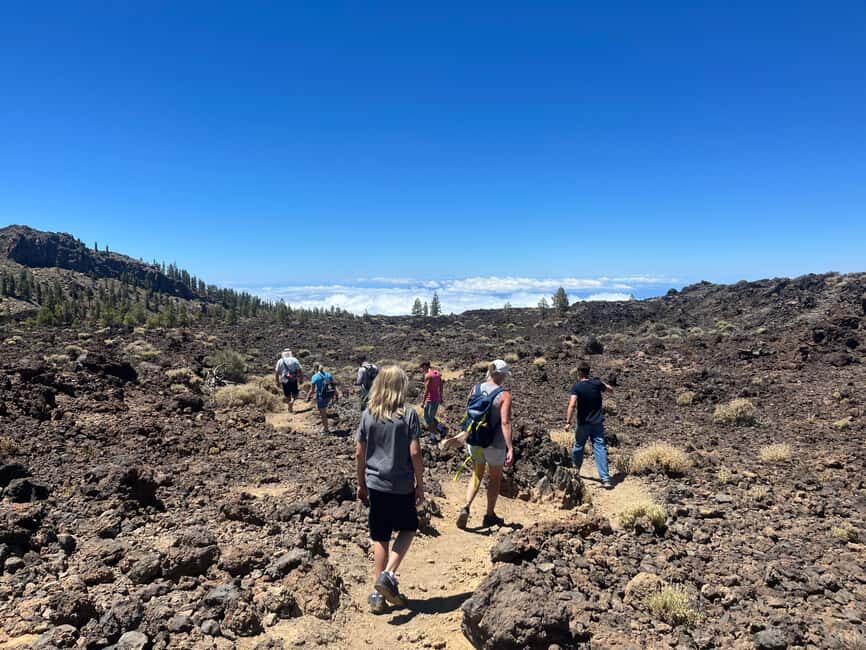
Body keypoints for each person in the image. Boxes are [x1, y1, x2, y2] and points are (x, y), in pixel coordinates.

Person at [355, 365, 425, 614]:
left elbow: (359, 453)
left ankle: (377, 595)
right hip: (402, 485)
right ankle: (387, 575)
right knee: (408, 528)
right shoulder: (408, 415)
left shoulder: (368, 414)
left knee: (380, 536)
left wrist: (361, 483)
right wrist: (420, 485)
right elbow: (415, 453)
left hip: (375, 485)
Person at [455, 359, 514, 530]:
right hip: (495, 444)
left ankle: (466, 506)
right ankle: (489, 515)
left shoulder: (476, 388)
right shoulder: (504, 395)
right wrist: (510, 447)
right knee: (494, 477)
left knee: (477, 474)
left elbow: (468, 412)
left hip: (475, 440)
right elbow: (505, 422)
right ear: (502, 375)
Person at [566, 361, 614, 489]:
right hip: (597, 422)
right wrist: (602, 385)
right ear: (588, 371)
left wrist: (568, 422)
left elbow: (572, 404)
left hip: (583, 423)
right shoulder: (596, 383)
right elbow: (610, 389)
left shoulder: (577, 387)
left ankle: (575, 472)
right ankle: (605, 479)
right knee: (600, 447)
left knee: (579, 445)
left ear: (579, 372)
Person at [306, 363, 340, 435]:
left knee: (323, 414)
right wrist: (336, 394)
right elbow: (333, 386)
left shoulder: (314, 377)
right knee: (325, 410)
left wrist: (308, 396)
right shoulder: (328, 374)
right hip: (329, 395)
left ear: (314, 369)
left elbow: (312, 390)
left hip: (321, 396)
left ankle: (326, 430)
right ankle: (325, 427)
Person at [418, 361, 443, 441]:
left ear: (425, 366)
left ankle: (434, 435)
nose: (421, 369)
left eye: (422, 368)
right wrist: (441, 397)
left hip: (430, 400)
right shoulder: (437, 373)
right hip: (436, 399)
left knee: (429, 419)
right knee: (428, 416)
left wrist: (422, 402)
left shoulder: (428, 376)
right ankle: (440, 427)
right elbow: (441, 386)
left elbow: (426, 390)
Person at [274, 349, 303, 413]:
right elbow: (299, 370)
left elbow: (276, 372)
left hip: (284, 380)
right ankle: (292, 403)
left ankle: (290, 406)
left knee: (287, 394)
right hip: (293, 379)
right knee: (295, 394)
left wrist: (277, 381)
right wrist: (301, 378)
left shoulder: (280, 361)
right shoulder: (294, 360)